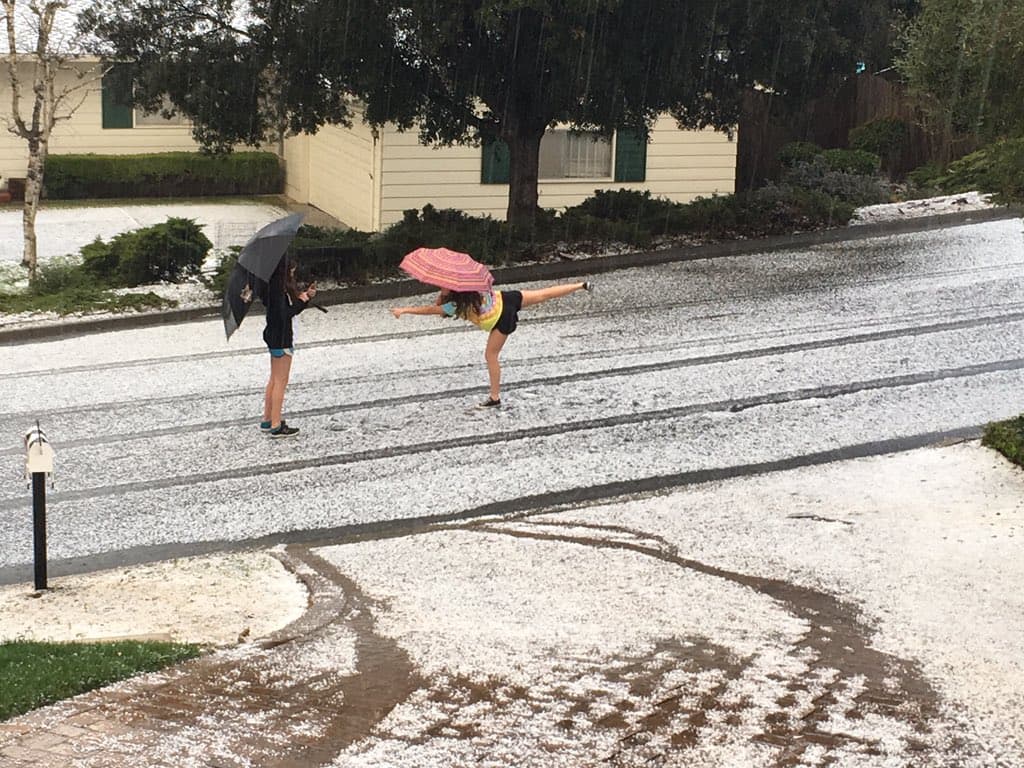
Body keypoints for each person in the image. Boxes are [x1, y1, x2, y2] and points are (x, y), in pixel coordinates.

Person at [390, 281, 590, 407]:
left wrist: (405, 310)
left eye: (443, 285)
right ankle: (580, 285)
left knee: (491, 356)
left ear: (453, 289)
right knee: (544, 294)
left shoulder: (456, 305)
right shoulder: (471, 290)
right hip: (507, 298)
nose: (440, 287)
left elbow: (430, 310)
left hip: (501, 318)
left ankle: (495, 397)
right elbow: (437, 307)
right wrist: (443, 294)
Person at [260, 257, 316, 437]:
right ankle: (276, 423)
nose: (292, 274)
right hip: (282, 337)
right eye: (291, 271)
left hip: (273, 336)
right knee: (281, 381)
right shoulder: (278, 292)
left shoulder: (270, 289)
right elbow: (285, 315)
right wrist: (302, 301)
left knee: (274, 379)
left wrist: (302, 298)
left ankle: (268, 418)